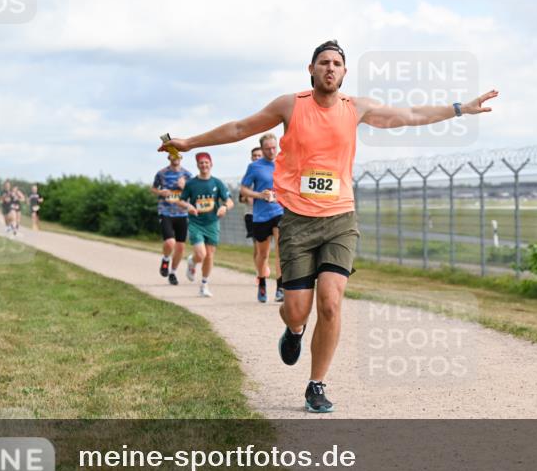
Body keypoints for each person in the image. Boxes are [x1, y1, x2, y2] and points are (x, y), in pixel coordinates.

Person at [160, 40, 497, 413]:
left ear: (344, 72)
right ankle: (294, 331)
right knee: (296, 310)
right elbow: (241, 127)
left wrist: (459, 109)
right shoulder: (290, 105)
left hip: (340, 218)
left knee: (332, 303)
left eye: (337, 63)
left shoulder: (356, 108)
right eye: (324, 62)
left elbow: (411, 114)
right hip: (298, 222)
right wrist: (191, 142)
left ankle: (316, 384)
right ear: (311, 69)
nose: (330, 68)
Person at [176, 152, 233, 297]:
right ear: (197, 165)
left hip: (212, 223)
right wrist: (188, 206)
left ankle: (204, 285)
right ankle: (192, 261)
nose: (204, 165)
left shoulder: (217, 183)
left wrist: (224, 207)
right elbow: (181, 200)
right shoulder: (191, 184)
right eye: (201, 163)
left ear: (211, 164)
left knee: (209, 256)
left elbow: (229, 201)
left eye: (206, 162)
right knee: (201, 254)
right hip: (196, 223)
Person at [241, 133, 285, 303]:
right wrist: (259, 195)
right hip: (260, 215)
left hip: (279, 211)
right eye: (267, 149)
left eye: (274, 147)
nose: (271, 151)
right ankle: (262, 282)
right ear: (262, 148)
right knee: (263, 254)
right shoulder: (254, 167)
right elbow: (244, 190)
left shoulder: (283, 162)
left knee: (281, 251)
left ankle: (280, 288)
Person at [150, 153, 193, 285]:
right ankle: (166, 259)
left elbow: (192, 192)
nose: (176, 158)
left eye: (178, 156)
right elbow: (153, 188)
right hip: (165, 211)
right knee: (170, 243)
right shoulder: (161, 173)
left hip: (182, 213)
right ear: (169, 158)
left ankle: (173, 273)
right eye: (173, 156)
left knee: (180, 247)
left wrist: (184, 186)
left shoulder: (187, 174)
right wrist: (160, 192)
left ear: (181, 158)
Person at [242, 145, 263, 245]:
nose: (257, 158)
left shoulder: (269, 173)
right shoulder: (248, 175)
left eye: (259, 156)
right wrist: (248, 196)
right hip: (251, 214)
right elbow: (241, 198)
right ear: (251, 158)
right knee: (258, 246)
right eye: (255, 156)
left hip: (267, 213)